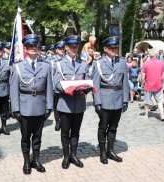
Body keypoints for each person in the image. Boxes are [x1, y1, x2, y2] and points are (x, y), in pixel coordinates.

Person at [10, 34, 53, 174]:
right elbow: (14, 90)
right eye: (30, 46)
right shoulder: (18, 67)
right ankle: (26, 162)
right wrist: (15, 109)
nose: (34, 48)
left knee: (38, 137)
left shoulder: (46, 66)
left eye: (36, 46)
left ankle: (36, 160)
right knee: (25, 137)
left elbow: (49, 88)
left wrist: (49, 106)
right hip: (25, 107)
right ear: (26, 48)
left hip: (40, 106)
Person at [53, 35, 89, 169]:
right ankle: (66, 156)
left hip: (79, 103)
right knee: (65, 132)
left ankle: (74, 155)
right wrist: (68, 88)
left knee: (75, 131)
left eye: (76, 46)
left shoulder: (83, 63)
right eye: (72, 47)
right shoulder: (59, 64)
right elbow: (56, 84)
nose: (75, 49)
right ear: (66, 48)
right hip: (65, 103)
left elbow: (88, 80)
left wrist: (86, 88)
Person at [92, 36, 129, 164]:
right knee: (103, 127)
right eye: (112, 48)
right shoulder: (99, 63)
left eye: (116, 47)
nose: (114, 50)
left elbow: (125, 82)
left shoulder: (122, 62)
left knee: (113, 127)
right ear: (105, 49)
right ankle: (102, 152)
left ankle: (110, 150)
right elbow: (95, 84)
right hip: (104, 100)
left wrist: (125, 100)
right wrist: (97, 102)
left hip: (118, 100)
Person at [141, 49, 164, 121]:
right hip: (158, 84)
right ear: (156, 55)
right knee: (160, 101)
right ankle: (162, 115)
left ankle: (146, 115)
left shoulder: (146, 63)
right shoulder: (161, 63)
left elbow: (143, 75)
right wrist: (162, 81)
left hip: (148, 85)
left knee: (147, 101)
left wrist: (142, 83)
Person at [51, 41, 65, 131]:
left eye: (63, 48)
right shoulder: (52, 61)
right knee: (56, 106)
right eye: (60, 49)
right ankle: (57, 121)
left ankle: (63, 121)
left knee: (63, 104)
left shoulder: (66, 59)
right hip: (55, 87)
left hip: (64, 87)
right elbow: (51, 75)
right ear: (56, 50)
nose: (62, 50)